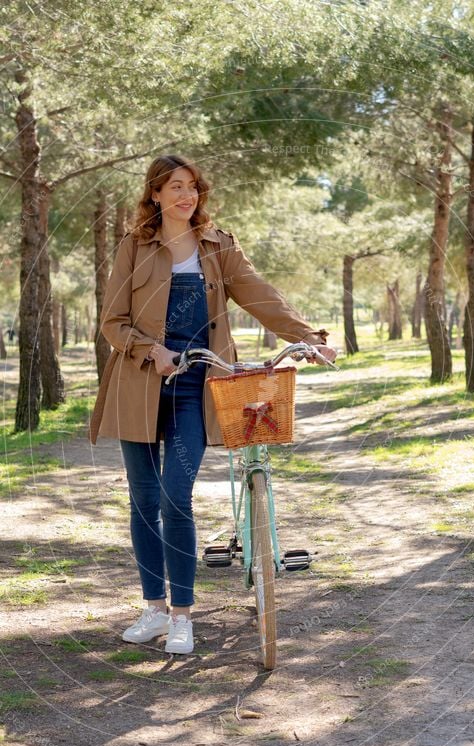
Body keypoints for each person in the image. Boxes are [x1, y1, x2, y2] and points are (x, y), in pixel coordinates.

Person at [89, 154, 337, 656]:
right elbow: (112, 321)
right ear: (155, 194)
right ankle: (153, 609)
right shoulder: (134, 246)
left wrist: (309, 337)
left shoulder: (219, 245)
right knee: (145, 501)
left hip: (198, 385)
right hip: (141, 383)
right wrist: (150, 350)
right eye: (175, 187)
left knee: (177, 496)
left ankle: (183, 616)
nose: (186, 195)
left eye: (193, 187)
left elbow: (260, 296)